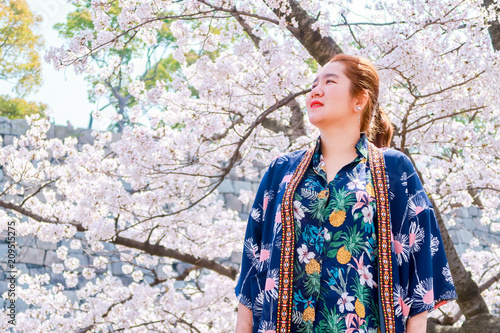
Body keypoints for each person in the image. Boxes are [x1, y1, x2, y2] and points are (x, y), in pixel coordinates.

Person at [234, 54, 457, 333]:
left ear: (359, 100)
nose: (316, 90)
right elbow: (252, 269)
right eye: (314, 83)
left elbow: (419, 274)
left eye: (330, 81)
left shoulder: (394, 169)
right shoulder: (281, 171)